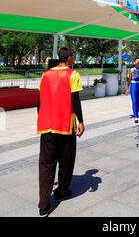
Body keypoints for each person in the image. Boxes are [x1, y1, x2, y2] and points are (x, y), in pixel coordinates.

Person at [37, 47, 85, 216]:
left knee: (46, 164)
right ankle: (62, 191)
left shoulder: (46, 74)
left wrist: (41, 118)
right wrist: (81, 121)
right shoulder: (73, 74)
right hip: (65, 125)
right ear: (70, 58)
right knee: (66, 161)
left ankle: (43, 204)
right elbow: (75, 100)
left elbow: (39, 101)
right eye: (74, 56)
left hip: (47, 126)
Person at [125, 57, 139, 123]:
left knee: (138, 102)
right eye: (136, 62)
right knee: (134, 101)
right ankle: (135, 116)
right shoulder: (131, 70)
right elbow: (129, 80)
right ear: (134, 63)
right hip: (133, 86)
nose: (138, 63)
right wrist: (127, 89)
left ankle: (136, 113)